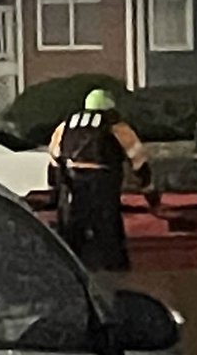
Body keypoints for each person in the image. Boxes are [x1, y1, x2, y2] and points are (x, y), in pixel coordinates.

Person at [48, 88, 157, 272]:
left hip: (73, 184)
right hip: (103, 182)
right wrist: (149, 191)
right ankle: (116, 274)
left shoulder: (66, 125)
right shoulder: (116, 126)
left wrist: (54, 193)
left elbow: (54, 158)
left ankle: (71, 271)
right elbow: (137, 160)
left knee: (71, 233)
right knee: (109, 231)